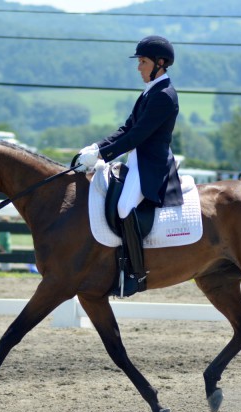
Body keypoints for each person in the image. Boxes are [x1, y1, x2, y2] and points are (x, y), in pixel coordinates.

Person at [76, 35, 183, 296]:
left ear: (160, 63)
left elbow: (137, 137)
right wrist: (96, 147)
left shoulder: (164, 96)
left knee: (124, 208)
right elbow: (126, 128)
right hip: (135, 161)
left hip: (151, 166)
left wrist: (102, 155)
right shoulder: (150, 92)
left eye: (143, 62)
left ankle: (134, 273)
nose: (139, 67)